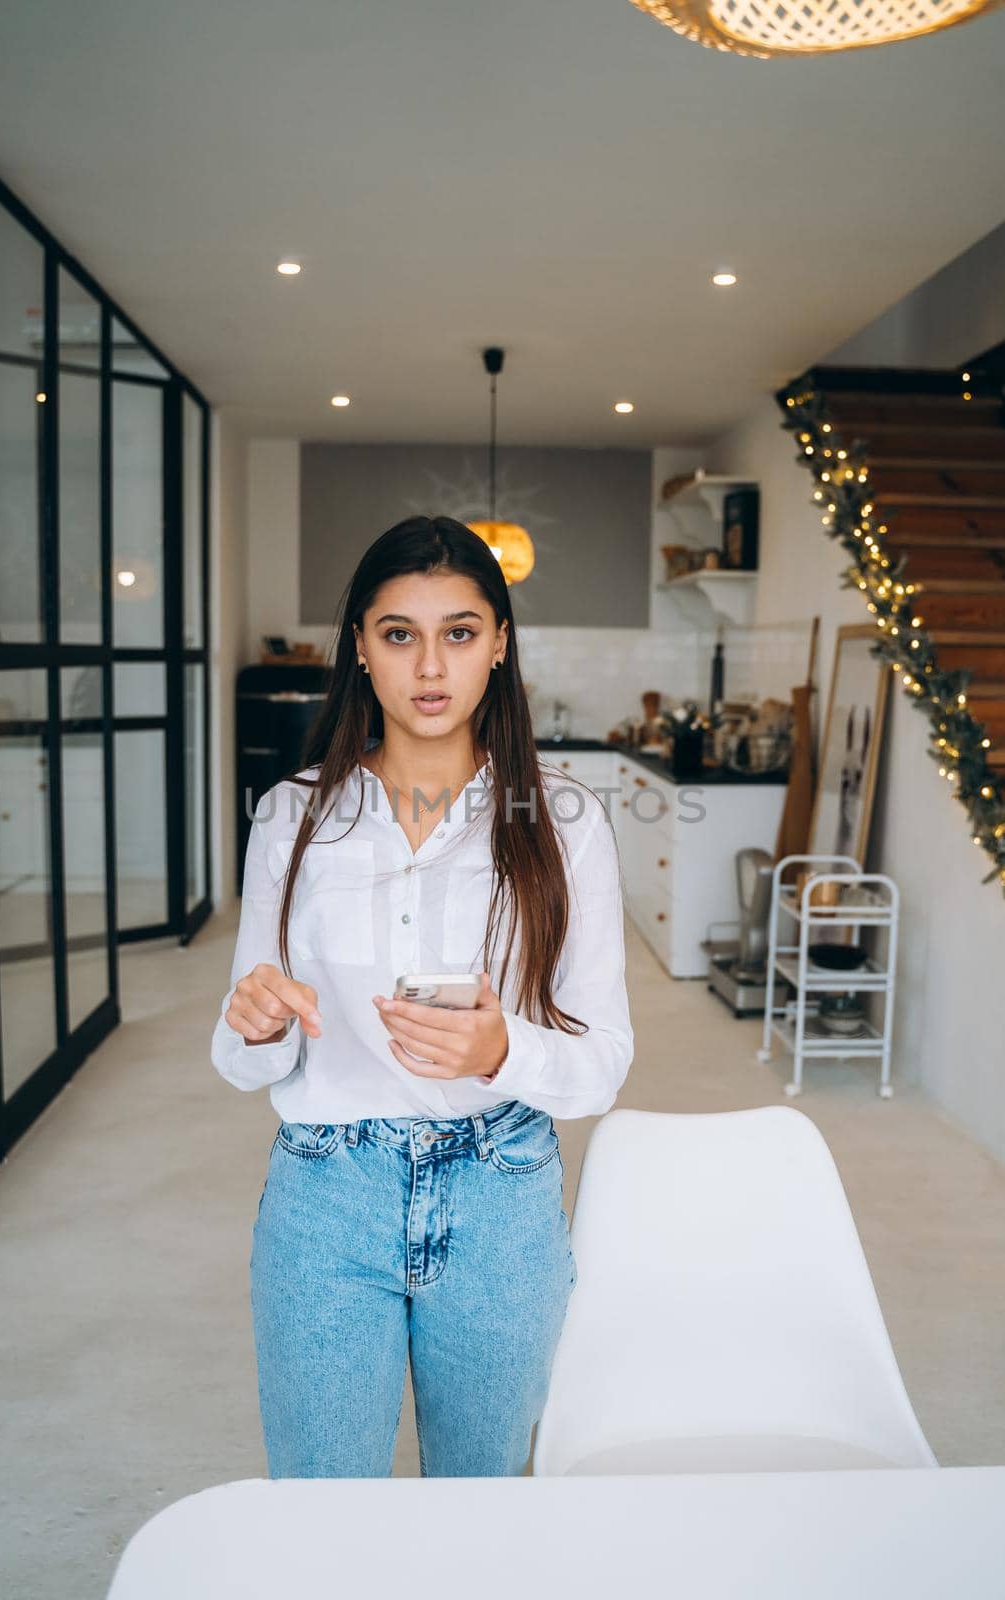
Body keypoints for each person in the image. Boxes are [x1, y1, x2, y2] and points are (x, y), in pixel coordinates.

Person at [211, 514, 634, 1478]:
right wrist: (260, 1020)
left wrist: (501, 1054)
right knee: (324, 1508)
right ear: (360, 647)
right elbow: (243, 1054)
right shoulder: (291, 815)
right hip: (325, 1193)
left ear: (498, 645)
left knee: (479, 1510)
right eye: (398, 633)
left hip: (501, 1196)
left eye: (459, 631)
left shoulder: (565, 822)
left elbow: (602, 1061)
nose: (429, 665)